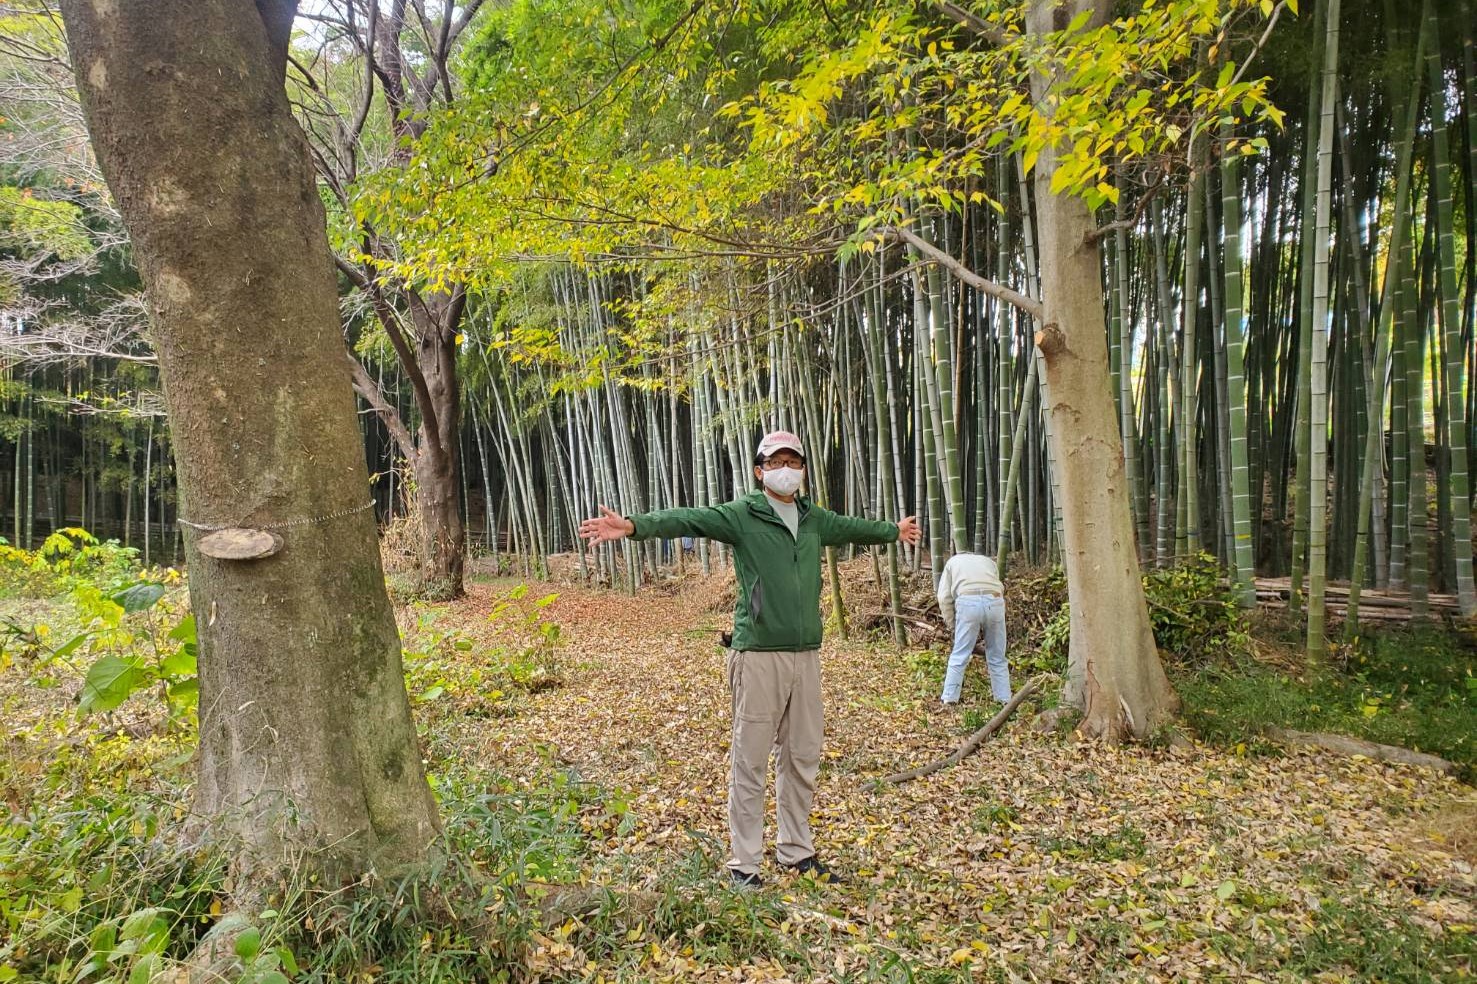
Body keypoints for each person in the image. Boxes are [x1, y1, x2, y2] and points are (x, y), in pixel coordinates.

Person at [579, 429, 921, 888]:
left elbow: (851, 526)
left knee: (802, 755)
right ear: (760, 470)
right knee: (751, 759)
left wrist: (892, 531)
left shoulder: (812, 517)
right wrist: (635, 526)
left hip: (806, 655)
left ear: (802, 469)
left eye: (794, 461)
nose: (786, 468)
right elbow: (689, 520)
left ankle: (796, 850)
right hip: (758, 653)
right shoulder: (743, 514)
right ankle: (745, 863)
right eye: (776, 461)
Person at [936, 550, 1011, 708]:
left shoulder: (953, 562)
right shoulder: (988, 561)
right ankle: (1004, 700)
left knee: (960, 653)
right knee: (997, 656)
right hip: (995, 600)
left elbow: (943, 597)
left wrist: (952, 625)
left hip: (968, 600)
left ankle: (949, 698)